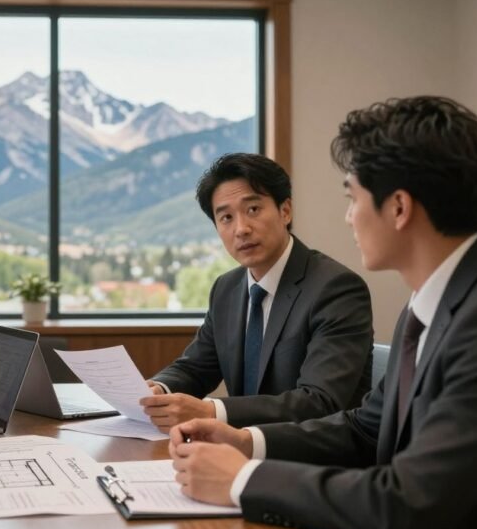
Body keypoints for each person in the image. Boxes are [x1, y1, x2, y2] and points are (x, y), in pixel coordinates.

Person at [169, 97, 477, 529]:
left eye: (353, 197)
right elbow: (365, 429)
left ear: (399, 208)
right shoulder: (431, 303)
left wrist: (243, 480)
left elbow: (408, 502)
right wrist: (245, 441)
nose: (349, 216)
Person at [141, 153, 373, 431]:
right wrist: (159, 389)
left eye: (253, 210)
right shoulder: (226, 288)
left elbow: (320, 401)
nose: (241, 229)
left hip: (315, 460)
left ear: (285, 211)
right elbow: (196, 367)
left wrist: (210, 410)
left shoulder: (336, 289)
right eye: (226, 217)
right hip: (240, 452)